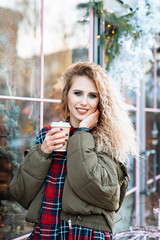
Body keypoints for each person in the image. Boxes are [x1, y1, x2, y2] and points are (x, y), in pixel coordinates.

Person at [9, 61, 137, 240]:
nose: (84, 102)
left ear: (100, 101)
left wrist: (83, 133)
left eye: (92, 96)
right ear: (66, 95)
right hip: (48, 230)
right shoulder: (48, 134)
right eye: (78, 93)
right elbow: (20, 194)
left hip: (86, 234)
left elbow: (103, 193)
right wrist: (43, 152)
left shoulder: (108, 139)